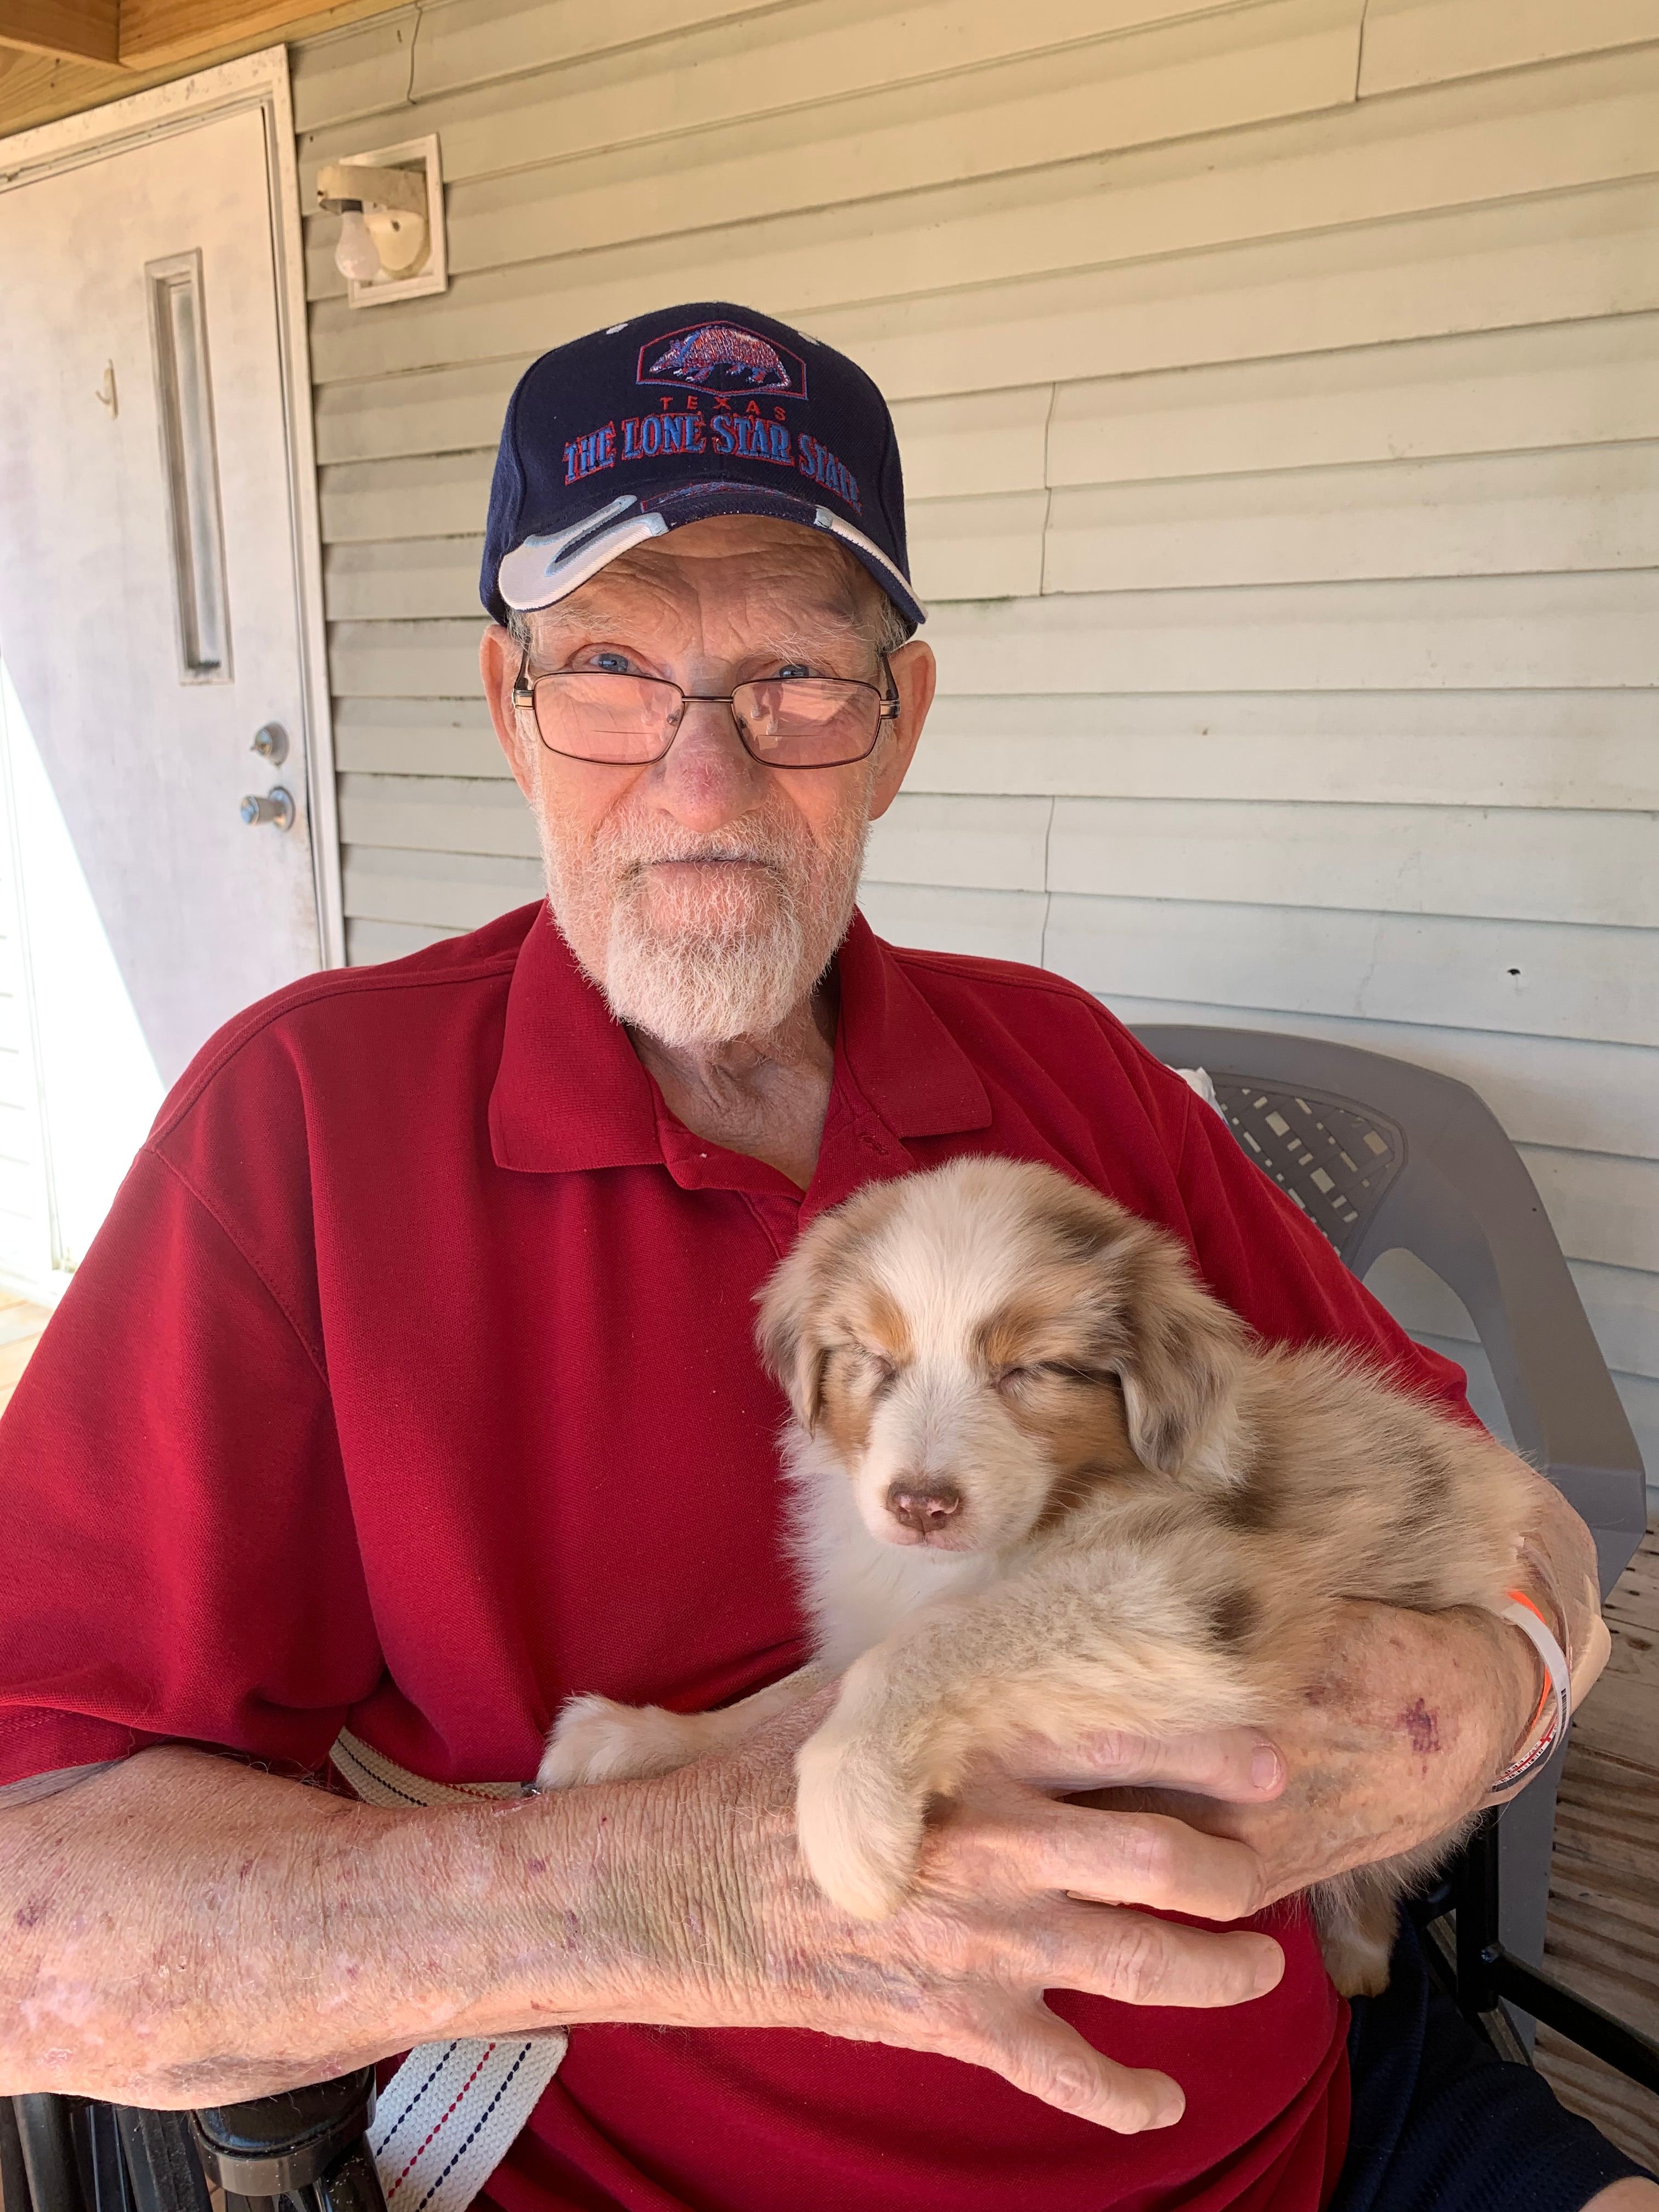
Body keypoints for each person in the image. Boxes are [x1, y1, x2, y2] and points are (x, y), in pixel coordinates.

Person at [0, 301, 1649, 2212]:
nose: (703, 781)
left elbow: (1500, 1508)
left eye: (793, 675)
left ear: (898, 728)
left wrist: (1473, 1706)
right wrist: (687, 1889)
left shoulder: (1059, 1061)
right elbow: (40, 1939)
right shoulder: (298, 1121)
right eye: (616, 668)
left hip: (1324, 2138)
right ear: (507, 704)